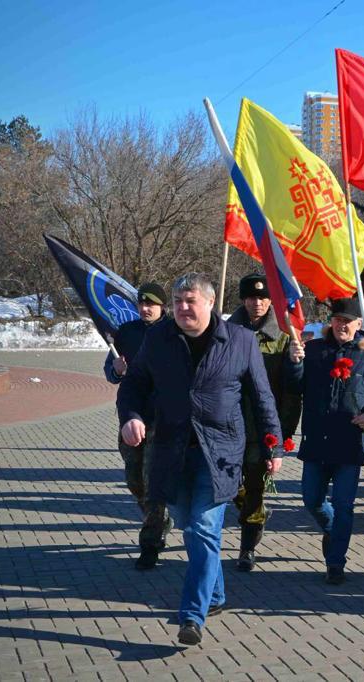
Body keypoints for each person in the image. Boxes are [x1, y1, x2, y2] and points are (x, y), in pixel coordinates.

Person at [118, 273, 281, 646]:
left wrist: (274, 446)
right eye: (177, 301)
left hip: (219, 453)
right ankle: (217, 594)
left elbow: (261, 397)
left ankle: (192, 615)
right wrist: (131, 416)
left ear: (210, 304)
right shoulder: (159, 339)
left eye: (190, 300)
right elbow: (135, 383)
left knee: (203, 528)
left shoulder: (239, 341)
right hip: (171, 451)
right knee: (191, 526)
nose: (182, 307)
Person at [288, 298, 364, 585]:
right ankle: (331, 529)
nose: (342, 325)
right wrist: (295, 363)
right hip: (317, 440)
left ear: (359, 324)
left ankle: (335, 562)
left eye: (348, 320)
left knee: (344, 505)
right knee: (311, 499)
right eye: (337, 319)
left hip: (348, 443)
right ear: (330, 321)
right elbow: (294, 386)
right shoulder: (314, 350)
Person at [226, 273, 303, 571]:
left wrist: (282, 436)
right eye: (250, 298)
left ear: (271, 300)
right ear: (243, 300)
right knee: (229, 485)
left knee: (256, 487)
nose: (256, 303)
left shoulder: (283, 338)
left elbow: (291, 393)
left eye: (262, 298)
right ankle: (254, 515)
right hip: (229, 425)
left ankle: (247, 548)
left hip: (262, 430)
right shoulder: (225, 332)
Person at [103, 281, 172, 570]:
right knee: (134, 480)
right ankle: (161, 521)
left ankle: (150, 545)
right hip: (131, 417)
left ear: (162, 307)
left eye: (152, 304)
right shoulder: (127, 332)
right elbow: (111, 371)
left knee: (153, 483)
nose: (146, 308)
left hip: (161, 419)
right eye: (142, 303)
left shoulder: (174, 331)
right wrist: (115, 370)